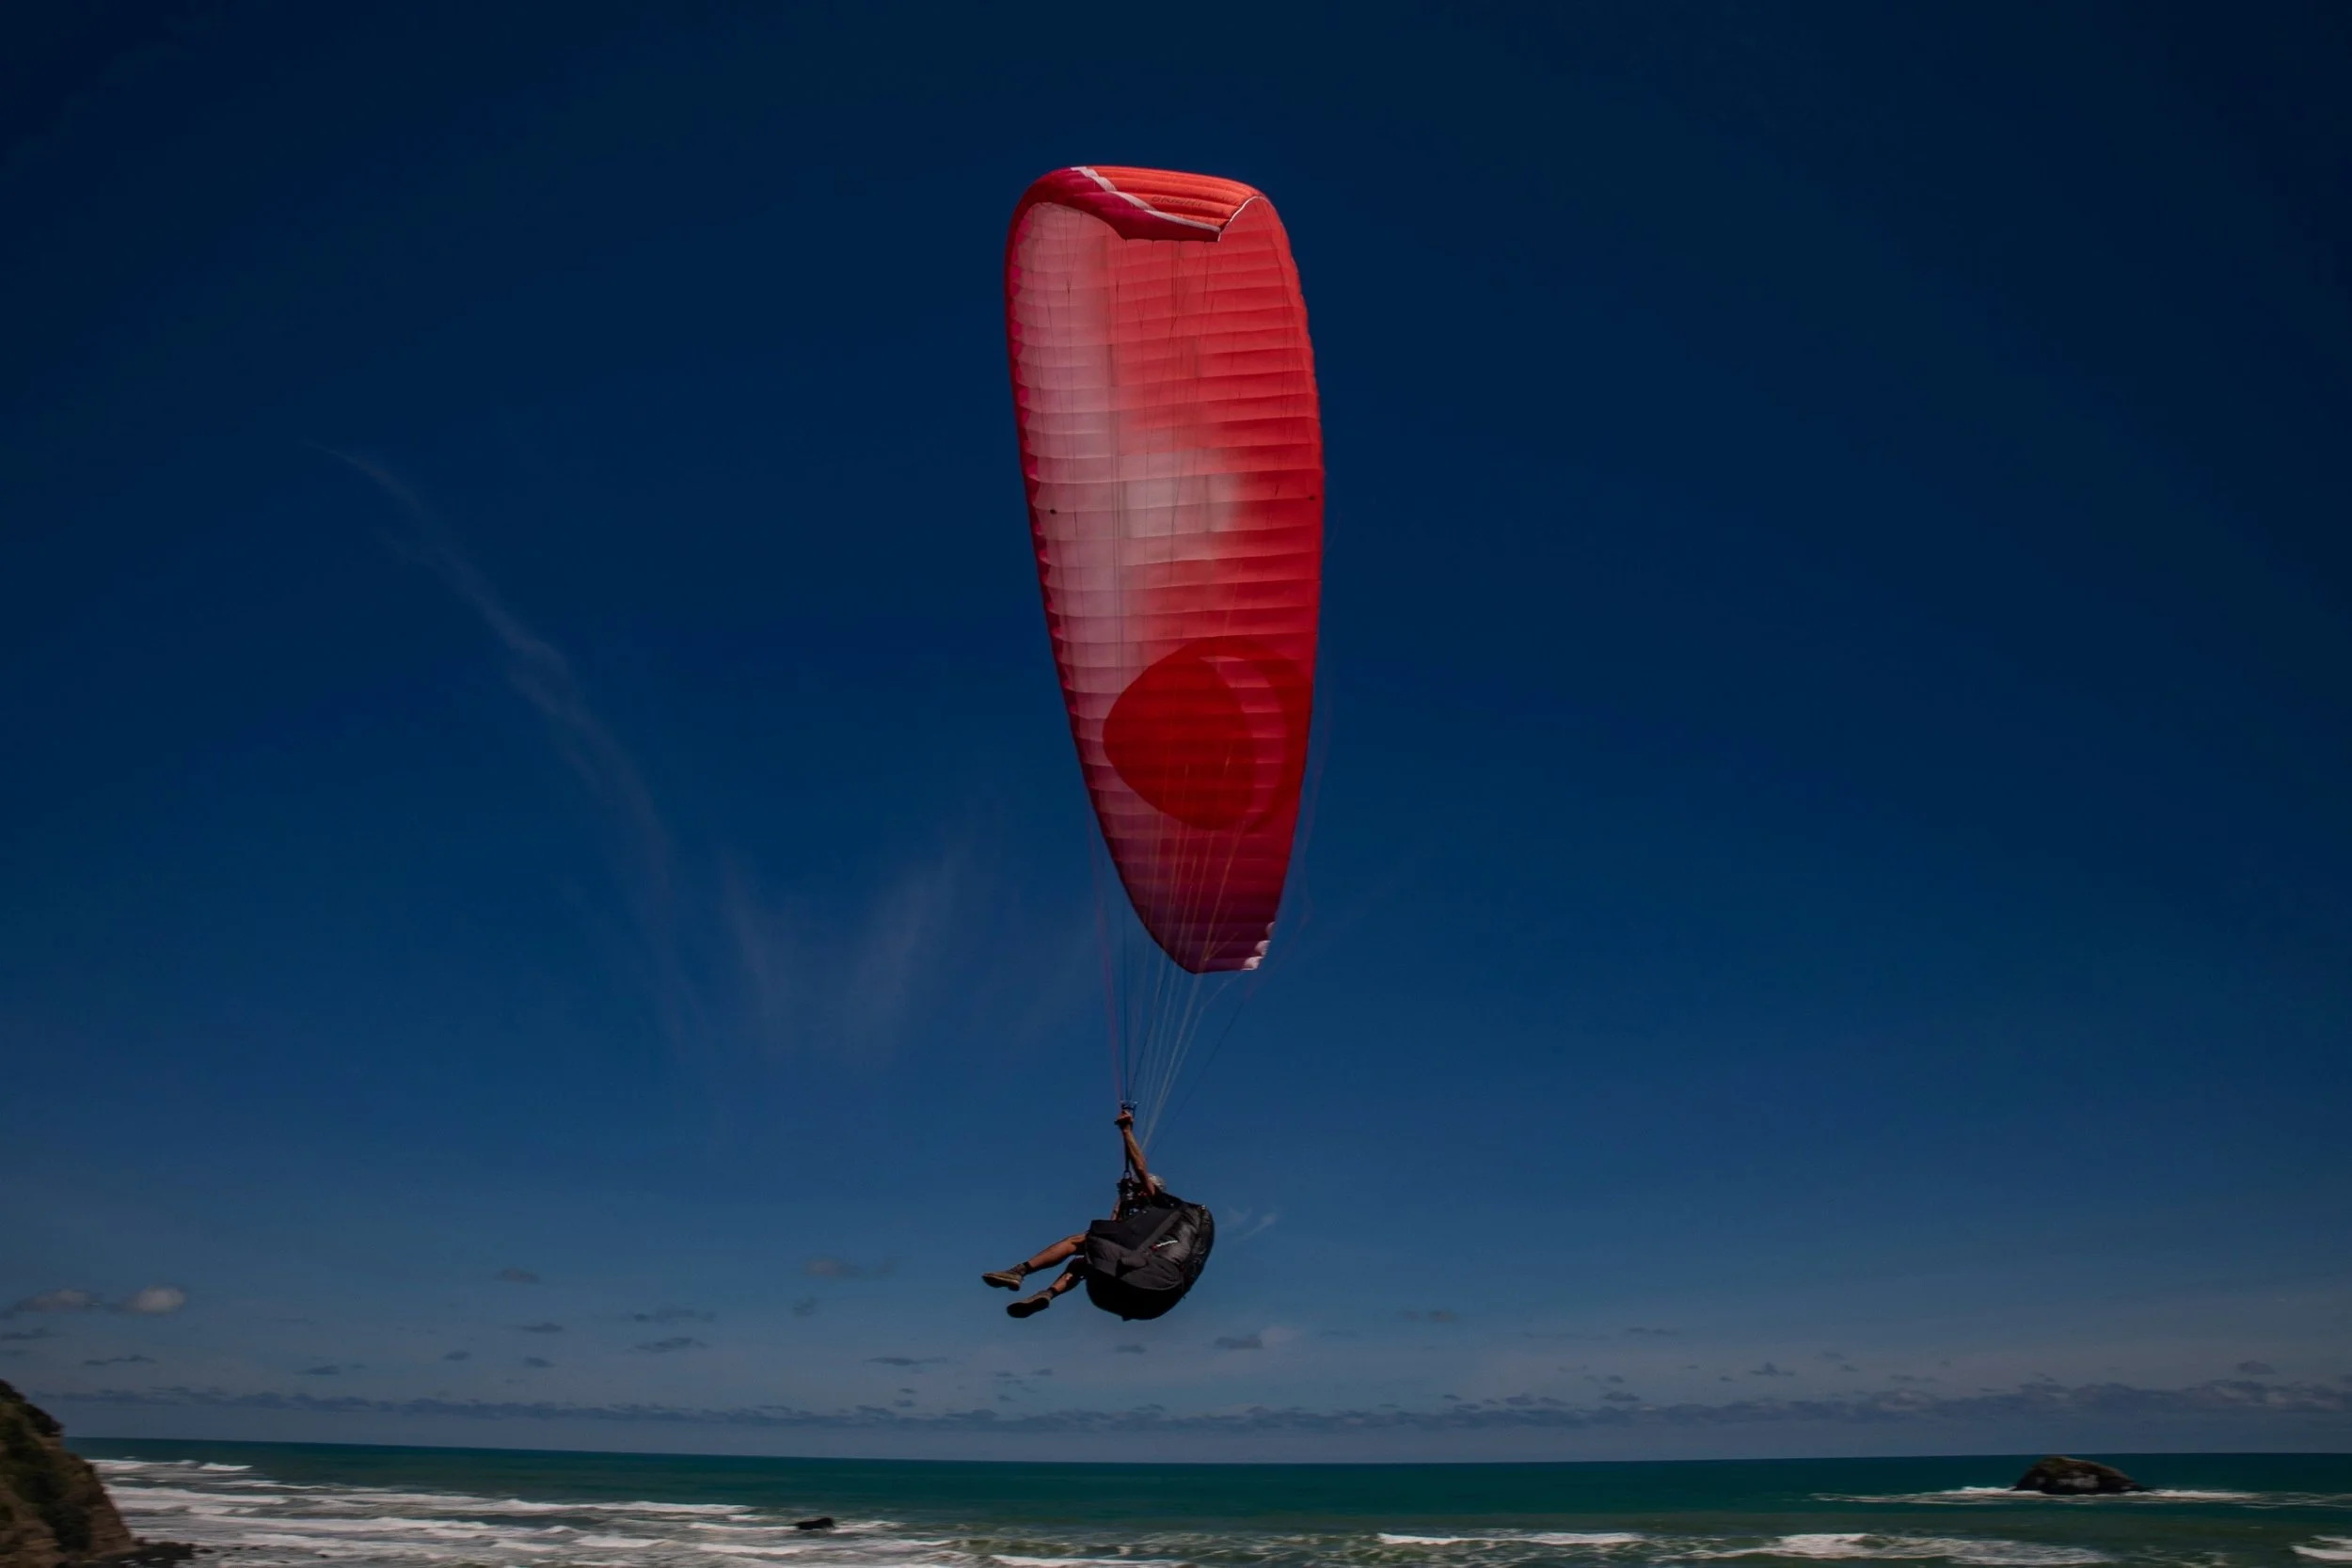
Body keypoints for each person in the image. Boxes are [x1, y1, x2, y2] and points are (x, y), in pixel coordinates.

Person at [982, 1108, 1215, 1321]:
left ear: (1146, 1190)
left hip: (1147, 1276)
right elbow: (1109, 1235)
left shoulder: (1163, 1205)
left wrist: (1126, 1132)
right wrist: (1121, 1201)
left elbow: (1140, 1168)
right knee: (1083, 1262)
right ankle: (1047, 1294)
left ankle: (1020, 1271)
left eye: (1137, 1189)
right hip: (1151, 1298)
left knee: (1079, 1240)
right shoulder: (1148, 1228)